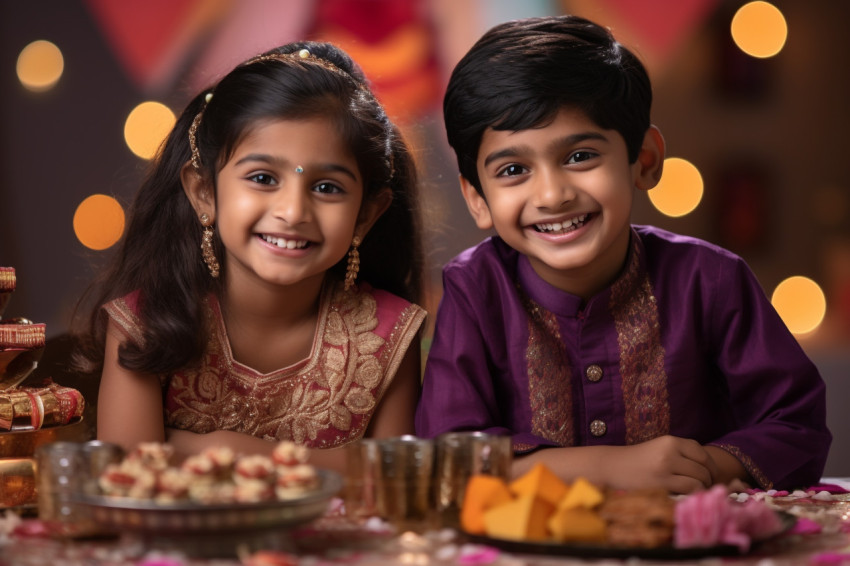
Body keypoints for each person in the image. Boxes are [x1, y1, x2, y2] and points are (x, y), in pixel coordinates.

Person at [415, 15, 831, 494]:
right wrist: (609, 469)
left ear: (645, 160)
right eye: (513, 169)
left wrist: (706, 468)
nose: (552, 195)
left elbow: (797, 425)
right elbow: (446, 456)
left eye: (579, 157)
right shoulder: (474, 289)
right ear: (477, 199)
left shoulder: (711, 278)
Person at [75, 41, 427, 473]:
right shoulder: (146, 324)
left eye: (327, 188)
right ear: (204, 193)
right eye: (263, 178)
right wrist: (337, 464)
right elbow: (130, 479)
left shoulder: (389, 336)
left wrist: (222, 448)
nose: (293, 211)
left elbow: (392, 483)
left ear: (365, 216)